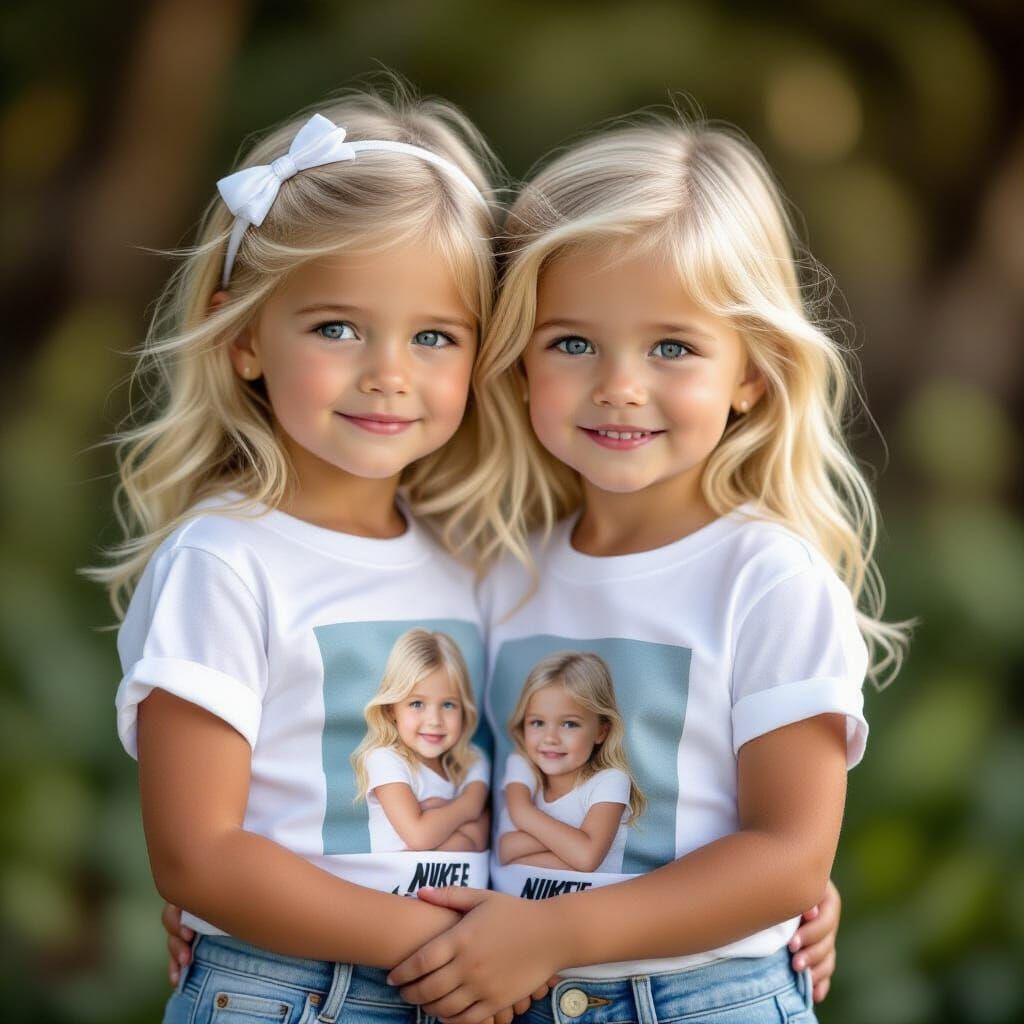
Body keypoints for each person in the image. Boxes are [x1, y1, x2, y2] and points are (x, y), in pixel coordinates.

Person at [388, 114, 910, 1023]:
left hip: (700, 1000)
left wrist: (559, 934)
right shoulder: (493, 570)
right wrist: (237, 903)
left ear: (752, 369)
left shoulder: (767, 577)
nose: (620, 384)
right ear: (516, 362)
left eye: (672, 347)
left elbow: (789, 856)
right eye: (573, 343)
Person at [95, 84, 549, 1024]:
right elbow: (200, 856)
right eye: (338, 328)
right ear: (245, 334)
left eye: (433, 336)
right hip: (296, 995)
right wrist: (448, 950)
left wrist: (758, 914)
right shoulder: (224, 562)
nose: (388, 371)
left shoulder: (480, 560)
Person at [498, 651, 644, 874]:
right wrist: (572, 840)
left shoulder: (611, 780)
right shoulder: (522, 765)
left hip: (588, 907)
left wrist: (524, 850)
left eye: (569, 724)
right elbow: (505, 848)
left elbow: (586, 858)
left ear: (601, 731)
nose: (550, 738)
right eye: (537, 722)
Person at [353, 628, 490, 854]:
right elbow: (419, 836)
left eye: (448, 705)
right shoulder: (385, 759)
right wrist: (467, 808)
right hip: (392, 890)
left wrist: (439, 815)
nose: (434, 721)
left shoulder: (473, 761)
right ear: (390, 710)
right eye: (417, 704)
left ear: (463, 710)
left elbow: (478, 842)